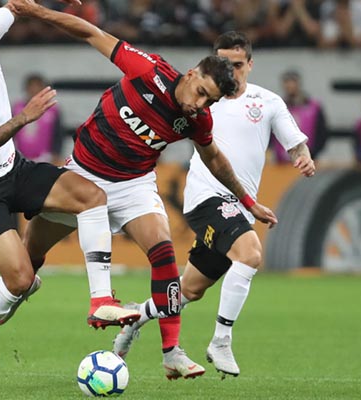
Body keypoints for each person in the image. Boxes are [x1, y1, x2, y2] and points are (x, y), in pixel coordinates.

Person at [8, 0, 278, 380]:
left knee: (163, 250)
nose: (198, 105)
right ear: (190, 73)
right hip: (84, 175)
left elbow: (215, 158)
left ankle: (171, 352)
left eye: (209, 101)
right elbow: (89, 31)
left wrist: (249, 201)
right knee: (24, 267)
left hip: (133, 184)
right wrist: (37, 13)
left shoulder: (197, 119)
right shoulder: (147, 70)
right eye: (199, 92)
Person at [0, 4, 139, 388]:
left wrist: (52, 7)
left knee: (91, 197)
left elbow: (15, 6)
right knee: (20, 280)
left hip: (13, 169)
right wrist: (25, 117)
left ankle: (100, 300)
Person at [112, 31, 316, 378]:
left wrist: (304, 157)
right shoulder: (204, 101)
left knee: (191, 289)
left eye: (237, 64)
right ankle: (221, 340)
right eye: (223, 63)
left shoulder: (268, 103)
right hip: (206, 197)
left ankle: (136, 316)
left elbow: (294, 142)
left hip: (238, 205)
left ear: (250, 64)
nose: (230, 71)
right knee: (250, 253)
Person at [271, 69, 328, 162]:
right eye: (286, 82)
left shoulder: (313, 107)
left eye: (292, 82)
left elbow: (322, 133)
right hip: (281, 163)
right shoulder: (276, 107)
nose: (289, 86)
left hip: (308, 160)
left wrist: (314, 153)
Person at [12, 73, 64, 164]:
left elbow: (58, 134)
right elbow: (11, 133)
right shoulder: (17, 108)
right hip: (21, 158)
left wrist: (56, 153)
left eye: (38, 87)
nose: (34, 90)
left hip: (45, 158)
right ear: (26, 89)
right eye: (31, 87)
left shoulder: (52, 109)